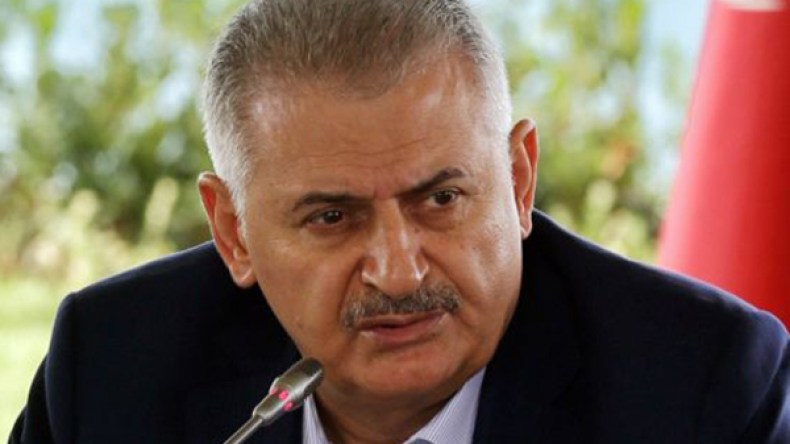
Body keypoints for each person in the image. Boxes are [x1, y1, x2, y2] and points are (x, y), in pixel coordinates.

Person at [10, 0, 789, 442]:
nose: (399, 270)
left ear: (519, 182)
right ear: (235, 235)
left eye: (440, 200)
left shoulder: (701, 387)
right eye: (331, 216)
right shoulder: (112, 369)